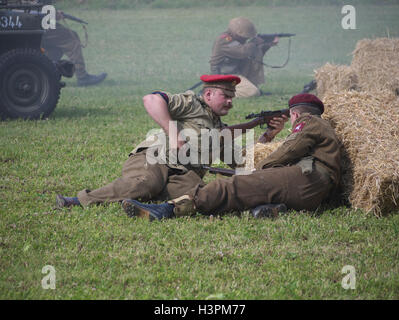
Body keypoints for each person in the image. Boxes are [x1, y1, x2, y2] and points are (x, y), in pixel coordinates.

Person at [56, 74, 285, 208]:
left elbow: (243, 161)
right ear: (208, 95)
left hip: (182, 175)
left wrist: (268, 135)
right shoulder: (191, 104)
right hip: (156, 159)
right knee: (146, 184)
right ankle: (77, 200)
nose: (230, 102)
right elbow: (152, 99)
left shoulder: (219, 130)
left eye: (232, 98)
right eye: (225, 96)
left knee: (204, 195)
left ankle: (144, 205)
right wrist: (174, 134)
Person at [121, 93, 342, 221]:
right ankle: (274, 209)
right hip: (312, 190)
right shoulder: (322, 127)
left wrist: (259, 170)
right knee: (257, 193)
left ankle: (168, 209)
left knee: (234, 185)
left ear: (295, 114)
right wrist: (266, 136)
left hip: (309, 177)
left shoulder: (309, 122)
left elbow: (290, 150)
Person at [24, 0, 108, 86]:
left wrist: (53, 13)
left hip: (30, 22)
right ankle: (82, 76)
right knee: (71, 39)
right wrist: (55, 14)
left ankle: (43, 74)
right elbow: (37, 3)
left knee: (55, 49)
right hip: (40, 22)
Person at [209, 17, 279, 98]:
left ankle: (250, 86)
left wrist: (267, 45)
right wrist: (255, 42)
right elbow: (243, 52)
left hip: (234, 74)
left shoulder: (234, 40)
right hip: (224, 77)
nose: (246, 38)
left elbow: (253, 52)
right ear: (236, 33)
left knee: (255, 54)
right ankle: (220, 93)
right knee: (252, 92)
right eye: (245, 36)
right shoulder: (225, 40)